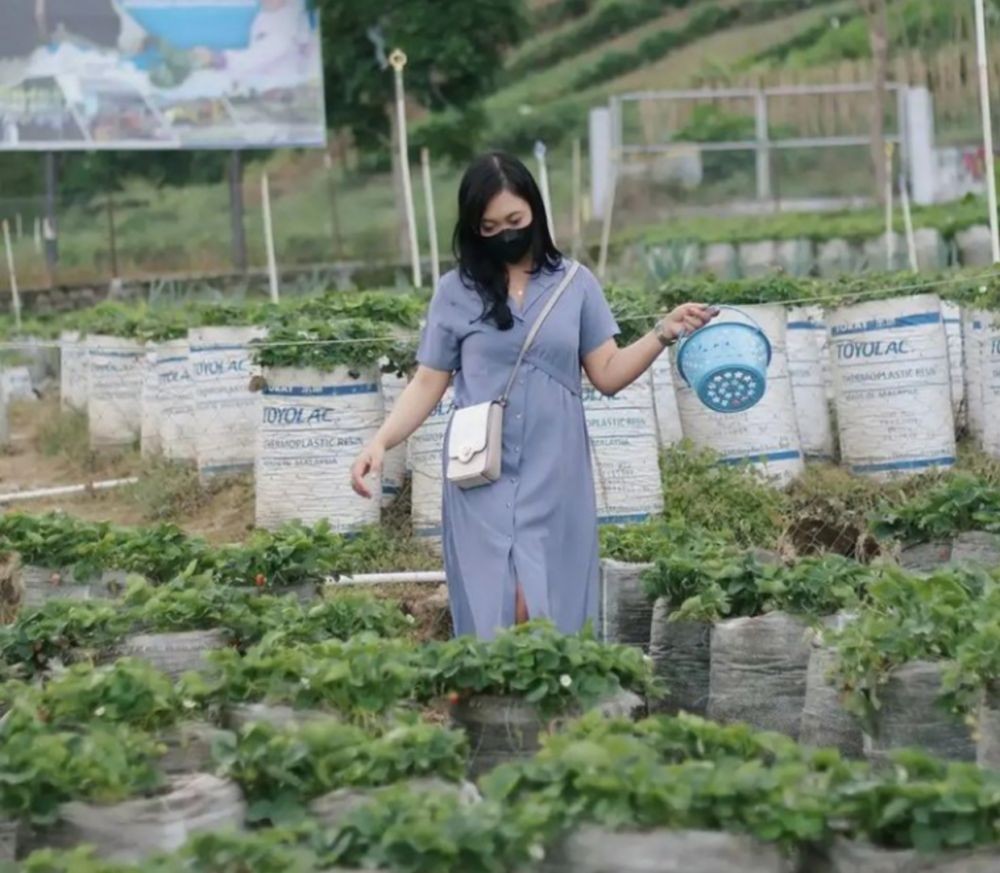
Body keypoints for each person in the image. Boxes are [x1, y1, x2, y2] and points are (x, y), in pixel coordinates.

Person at [351, 151, 714, 640]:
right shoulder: (455, 291)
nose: (506, 233)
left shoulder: (575, 283)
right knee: (497, 596)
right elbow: (427, 380)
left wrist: (663, 332)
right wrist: (381, 441)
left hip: (555, 466)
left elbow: (606, 373)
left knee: (546, 598)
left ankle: (554, 706)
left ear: (535, 213)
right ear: (473, 229)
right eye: (490, 226)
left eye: (515, 220)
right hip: (483, 469)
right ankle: (495, 706)